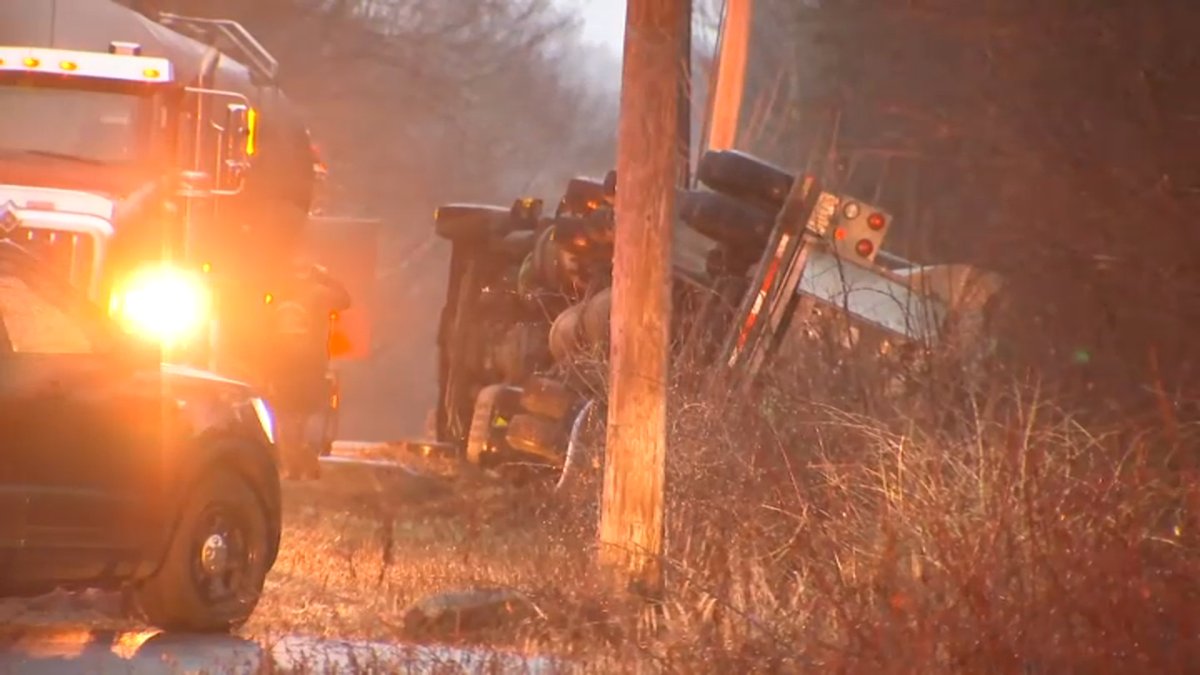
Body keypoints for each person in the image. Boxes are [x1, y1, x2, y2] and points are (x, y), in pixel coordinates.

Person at [266, 258, 351, 479]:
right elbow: (345, 300)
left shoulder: (278, 292)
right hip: (309, 364)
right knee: (299, 417)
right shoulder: (320, 292)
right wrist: (326, 279)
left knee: (286, 417)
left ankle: (297, 466)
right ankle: (303, 465)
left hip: (284, 364)